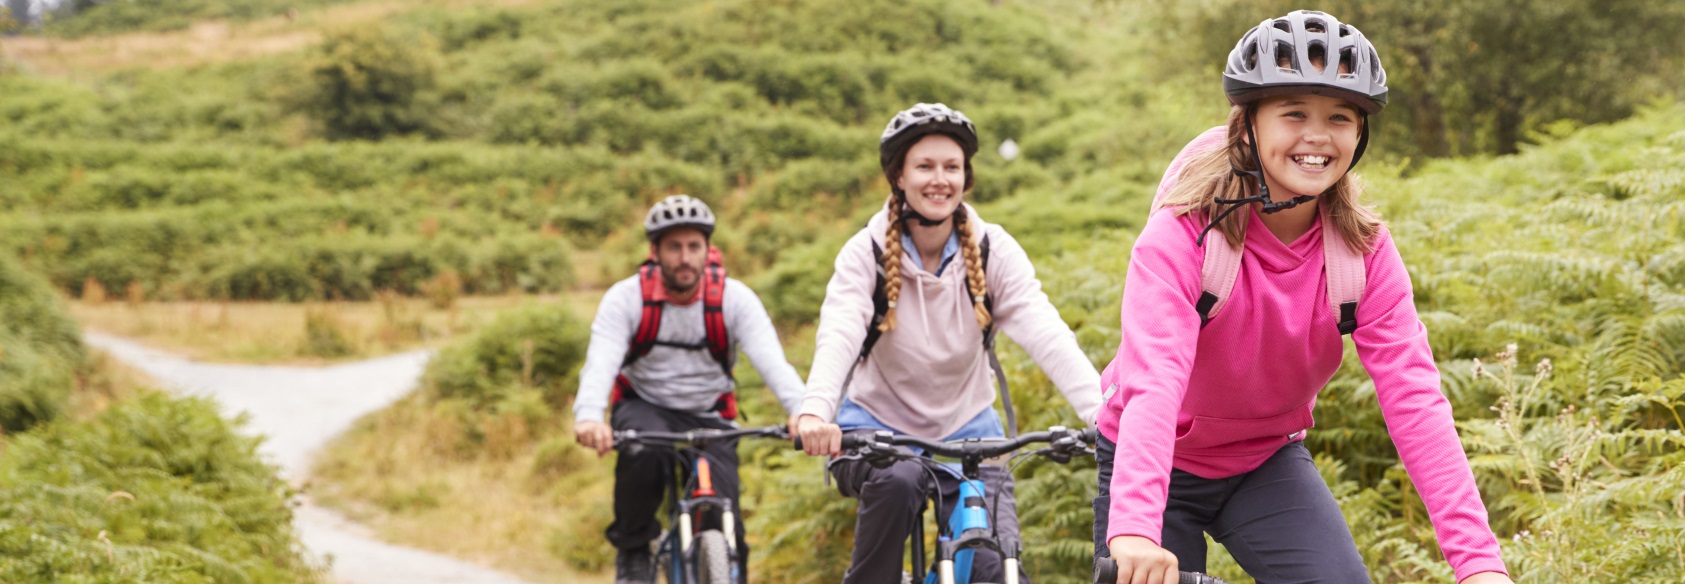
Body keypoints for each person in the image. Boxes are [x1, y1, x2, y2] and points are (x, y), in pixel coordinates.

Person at [1095, 10, 1515, 584]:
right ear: (1248, 127)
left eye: (1340, 117)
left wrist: (1478, 565)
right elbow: (1156, 379)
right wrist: (1137, 529)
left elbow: (1414, 398)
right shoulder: (1183, 234)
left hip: (1264, 461)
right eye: (1294, 113)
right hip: (1154, 462)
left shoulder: (1362, 251)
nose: (1318, 136)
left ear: (1359, 135)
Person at [792, 103, 1103, 583]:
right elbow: (839, 333)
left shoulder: (992, 249)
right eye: (925, 166)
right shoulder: (865, 254)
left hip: (969, 429)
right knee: (898, 481)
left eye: (951, 167)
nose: (940, 179)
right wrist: (815, 410)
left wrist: (1101, 409)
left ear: (966, 177)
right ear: (899, 177)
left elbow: (1045, 330)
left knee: (991, 567)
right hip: (876, 430)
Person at [571, 194, 805, 584]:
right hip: (647, 406)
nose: (685, 257)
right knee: (641, 453)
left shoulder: (734, 299)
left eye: (694, 246)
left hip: (709, 414)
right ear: (655, 251)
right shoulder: (626, 299)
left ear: (708, 250)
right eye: (674, 247)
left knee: (728, 523)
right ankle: (633, 554)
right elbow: (600, 364)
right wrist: (589, 417)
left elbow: (773, 363)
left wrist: (802, 410)